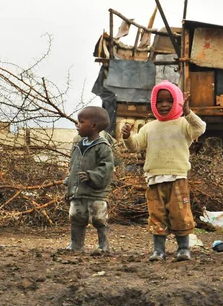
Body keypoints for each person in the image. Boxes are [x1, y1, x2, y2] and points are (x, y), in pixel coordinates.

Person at [121, 80, 206, 261]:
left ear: (177, 101)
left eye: (169, 100)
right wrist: (127, 136)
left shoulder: (183, 124)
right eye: (159, 101)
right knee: (157, 215)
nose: (164, 104)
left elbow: (200, 128)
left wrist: (188, 112)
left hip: (177, 178)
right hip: (154, 179)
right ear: (154, 103)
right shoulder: (149, 128)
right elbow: (135, 146)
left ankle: (183, 249)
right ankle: (159, 251)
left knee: (180, 214)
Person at [64, 106, 115, 252]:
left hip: (95, 192)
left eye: (81, 122)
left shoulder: (103, 147)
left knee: (99, 219)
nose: (77, 125)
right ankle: (76, 245)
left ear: (93, 126)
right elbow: (73, 167)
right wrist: (69, 183)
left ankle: (103, 246)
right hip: (79, 191)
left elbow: (107, 167)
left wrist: (92, 175)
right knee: (76, 217)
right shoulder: (78, 145)